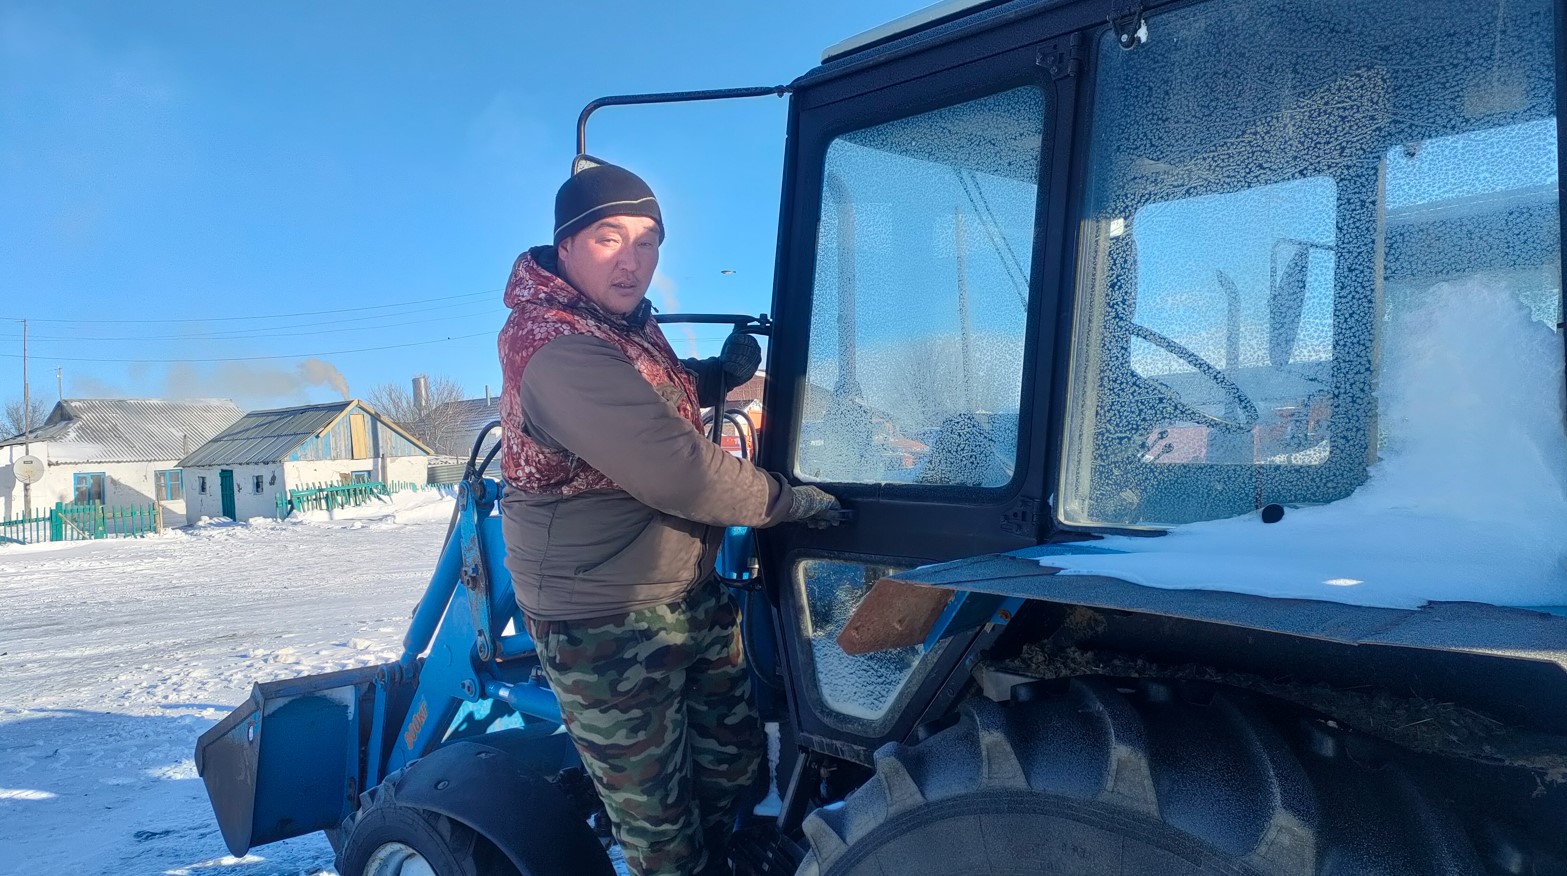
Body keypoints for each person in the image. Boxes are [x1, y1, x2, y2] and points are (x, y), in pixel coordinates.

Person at [496, 161, 839, 876]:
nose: (632, 260)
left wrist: (714, 377)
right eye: (608, 238)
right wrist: (794, 502)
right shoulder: (553, 344)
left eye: (647, 241)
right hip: (605, 615)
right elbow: (678, 469)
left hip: (681, 584)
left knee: (733, 764)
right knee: (660, 822)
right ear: (565, 246)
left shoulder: (616, 322)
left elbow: (648, 394)